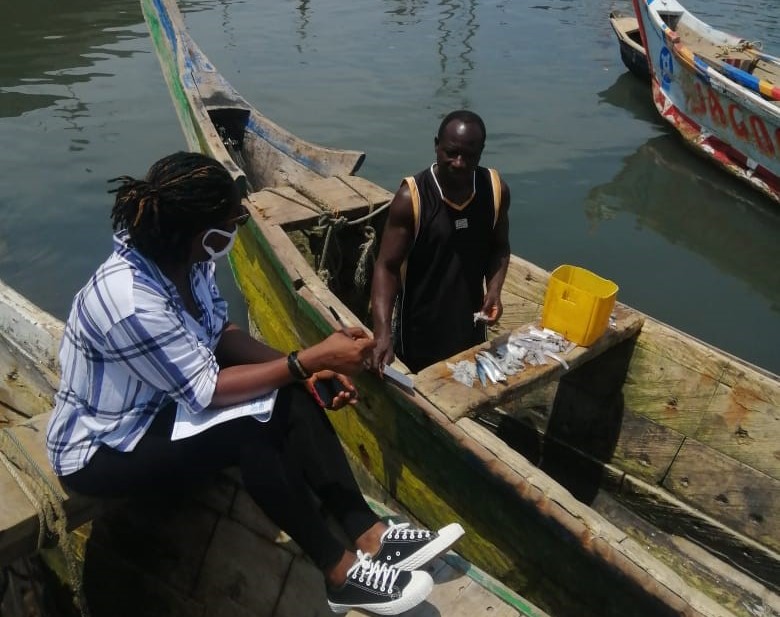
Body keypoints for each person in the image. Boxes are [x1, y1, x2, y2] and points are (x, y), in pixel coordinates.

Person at [45, 152, 464, 616]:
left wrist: (310, 371)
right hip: (104, 448)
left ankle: (369, 533)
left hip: (159, 408)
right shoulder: (130, 300)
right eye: (234, 220)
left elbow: (220, 334)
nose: (239, 224)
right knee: (248, 432)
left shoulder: (187, 258)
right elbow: (207, 389)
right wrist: (310, 358)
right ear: (204, 232)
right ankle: (340, 573)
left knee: (292, 391)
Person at [370, 110, 511, 373]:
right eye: (451, 152)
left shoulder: (495, 190)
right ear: (436, 145)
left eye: (469, 156)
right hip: (419, 328)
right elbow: (386, 267)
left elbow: (499, 247)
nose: (459, 162)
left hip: (470, 324)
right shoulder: (411, 198)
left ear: (481, 152)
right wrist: (382, 333)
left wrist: (494, 291)